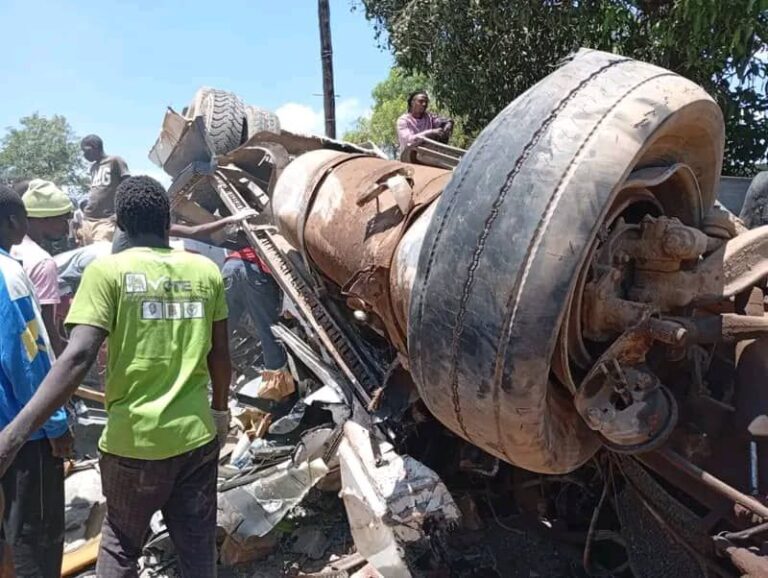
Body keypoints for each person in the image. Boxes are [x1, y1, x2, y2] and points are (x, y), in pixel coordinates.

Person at [0, 176, 232, 577]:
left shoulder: (107, 273)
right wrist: (220, 413)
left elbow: (77, 357)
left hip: (134, 444)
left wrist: (15, 433)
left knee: (122, 544)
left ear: (121, 224)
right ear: (166, 221)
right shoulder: (204, 271)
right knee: (196, 545)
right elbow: (222, 356)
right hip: (196, 437)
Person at [0, 185, 72, 578]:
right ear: (14, 222)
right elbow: (27, 358)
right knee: (35, 537)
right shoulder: (10, 275)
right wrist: (55, 423)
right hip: (24, 433)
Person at [11, 180, 74, 356]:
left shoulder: (9, 249)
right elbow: (46, 326)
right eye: (63, 219)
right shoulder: (42, 261)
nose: (66, 227)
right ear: (44, 219)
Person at [222, 247, 294, 399]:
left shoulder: (251, 242)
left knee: (220, 332)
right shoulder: (284, 247)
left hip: (229, 267)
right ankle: (276, 391)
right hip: (255, 270)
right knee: (268, 330)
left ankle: (205, 380)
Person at [78, 134, 130, 244]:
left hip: (106, 220)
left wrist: (120, 212)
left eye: (85, 150)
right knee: (87, 253)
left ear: (94, 146)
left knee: (100, 252)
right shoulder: (93, 168)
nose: (84, 155)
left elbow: (128, 186)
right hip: (88, 218)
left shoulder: (115, 161)